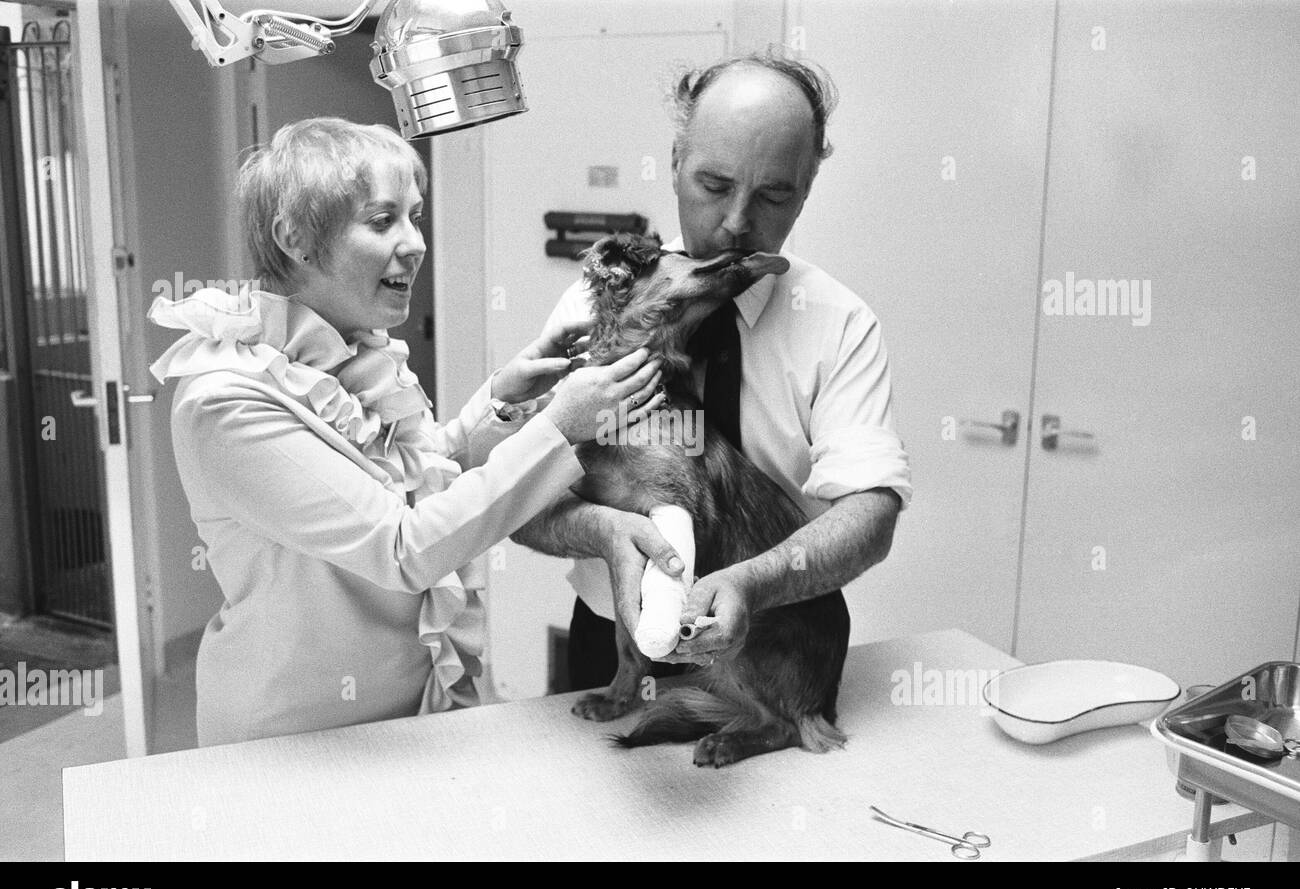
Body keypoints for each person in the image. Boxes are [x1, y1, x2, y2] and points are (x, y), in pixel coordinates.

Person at [149, 117, 664, 746]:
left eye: (414, 217)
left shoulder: (353, 351)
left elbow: (415, 479)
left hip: (404, 718)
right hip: (296, 738)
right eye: (382, 220)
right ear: (296, 239)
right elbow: (403, 544)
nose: (415, 242)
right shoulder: (224, 402)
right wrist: (560, 427)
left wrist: (502, 399)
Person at [513, 54, 913, 686]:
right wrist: (602, 528)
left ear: (807, 188)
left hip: (767, 654)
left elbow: (871, 514)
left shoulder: (838, 323)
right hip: (612, 647)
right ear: (674, 163)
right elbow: (514, 501)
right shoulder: (600, 308)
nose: (735, 223)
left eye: (774, 194)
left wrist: (753, 582)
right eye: (714, 185)